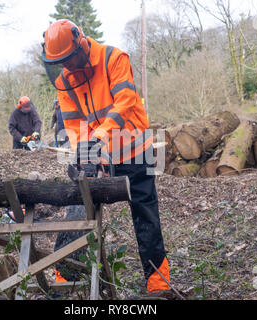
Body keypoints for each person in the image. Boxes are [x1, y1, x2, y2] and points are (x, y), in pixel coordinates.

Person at [41, 19, 172, 297]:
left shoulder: (114, 58)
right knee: (79, 204)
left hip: (134, 149)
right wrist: (86, 152)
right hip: (100, 149)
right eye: (61, 61)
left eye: (70, 58)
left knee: (145, 213)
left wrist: (100, 136)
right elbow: (75, 123)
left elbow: (124, 101)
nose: (68, 66)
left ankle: (157, 282)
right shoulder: (65, 80)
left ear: (81, 44)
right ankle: (64, 273)